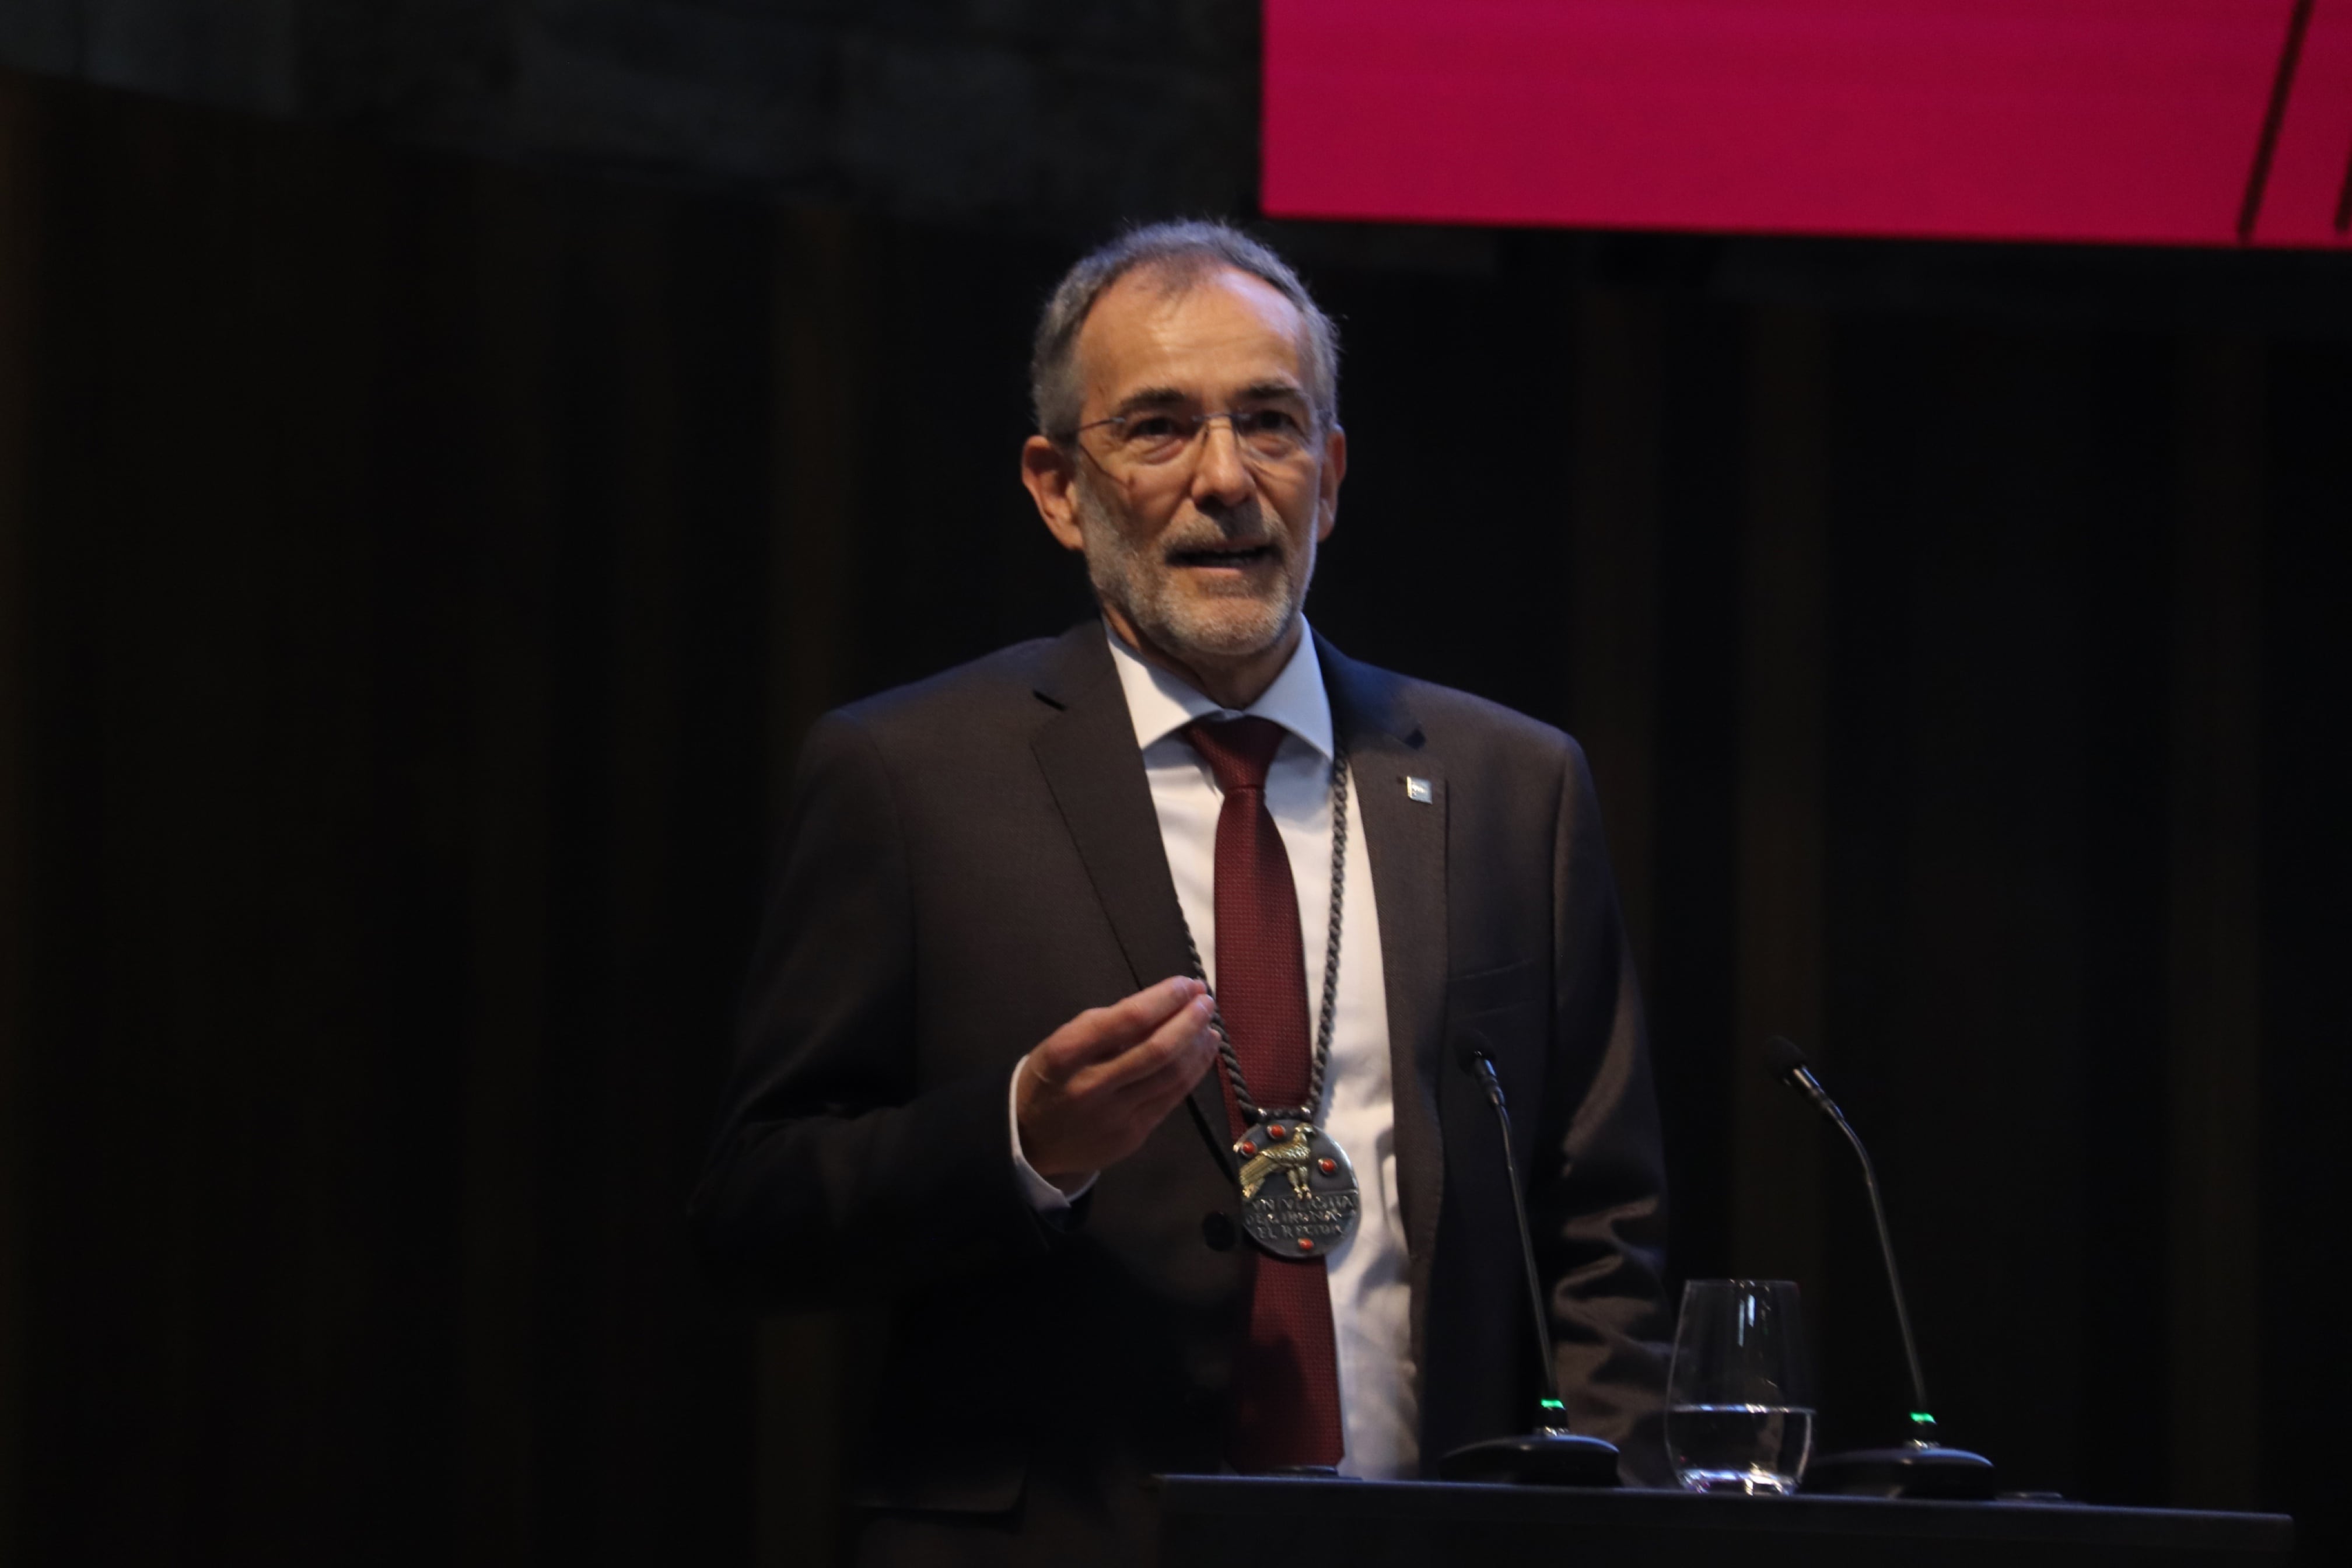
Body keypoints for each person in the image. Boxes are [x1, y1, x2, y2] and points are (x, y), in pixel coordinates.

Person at [690, 220, 1668, 1564]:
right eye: (1159, 428)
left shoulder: (1517, 787)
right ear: (1057, 488)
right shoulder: (907, 776)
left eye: (1270, 423)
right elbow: (758, 1208)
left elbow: (1604, 1237)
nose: (1226, 479)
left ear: (1328, 476)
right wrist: (1019, 1141)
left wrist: (1598, 1534)